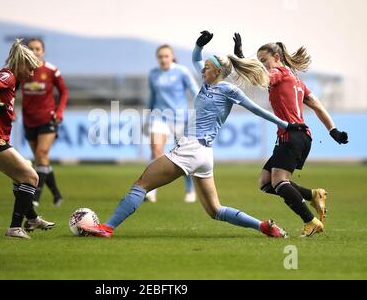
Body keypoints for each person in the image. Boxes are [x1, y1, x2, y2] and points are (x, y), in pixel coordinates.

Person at [79, 30, 307, 239]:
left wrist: (285, 124)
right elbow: (196, 58)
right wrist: (199, 45)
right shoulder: (208, 84)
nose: (202, 69)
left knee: (141, 185)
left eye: (207, 67)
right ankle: (264, 226)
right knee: (215, 210)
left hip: (191, 149)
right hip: (204, 155)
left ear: (217, 71)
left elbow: (256, 109)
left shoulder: (228, 89)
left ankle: (107, 228)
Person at [233, 33, 349, 237]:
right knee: (266, 183)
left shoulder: (279, 72)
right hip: (298, 136)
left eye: (264, 61)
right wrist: (333, 131)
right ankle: (313, 195)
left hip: (292, 135)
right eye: (260, 62)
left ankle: (310, 221)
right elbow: (319, 107)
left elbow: (260, 78)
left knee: (279, 181)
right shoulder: (296, 81)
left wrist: (241, 59)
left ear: (276, 57)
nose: (264, 65)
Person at [0, 38, 55, 239]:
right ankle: (15, 228)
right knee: (32, 177)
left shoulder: (10, 79)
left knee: (22, 175)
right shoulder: (7, 75)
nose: (32, 74)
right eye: (30, 69)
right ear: (21, 64)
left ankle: (32, 218)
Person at [145, 44, 200, 203]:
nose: (163, 59)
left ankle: (190, 189)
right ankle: (151, 191)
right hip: (159, 117)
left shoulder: (182, 71)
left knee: (184, 155)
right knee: (156, 151)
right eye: (160, 57)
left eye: (166, 56)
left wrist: (200, 111)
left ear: (172, 57)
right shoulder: (153, 74)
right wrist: (147, 118)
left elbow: (195, 91)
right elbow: (152, 97)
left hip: (180, 118)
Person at [22, 38, 69, 207]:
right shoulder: (21, 70)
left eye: (38, 49)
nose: (35, 51)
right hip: (29, 119)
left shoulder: (51, 70)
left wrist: (59, 111)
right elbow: (11, 91)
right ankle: (57, 195)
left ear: (43, 51)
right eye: (31, 49)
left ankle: (35, 198)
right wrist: (10, 110)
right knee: (41, 160)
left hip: (47, 119)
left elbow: (64, 92)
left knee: (41, 154)